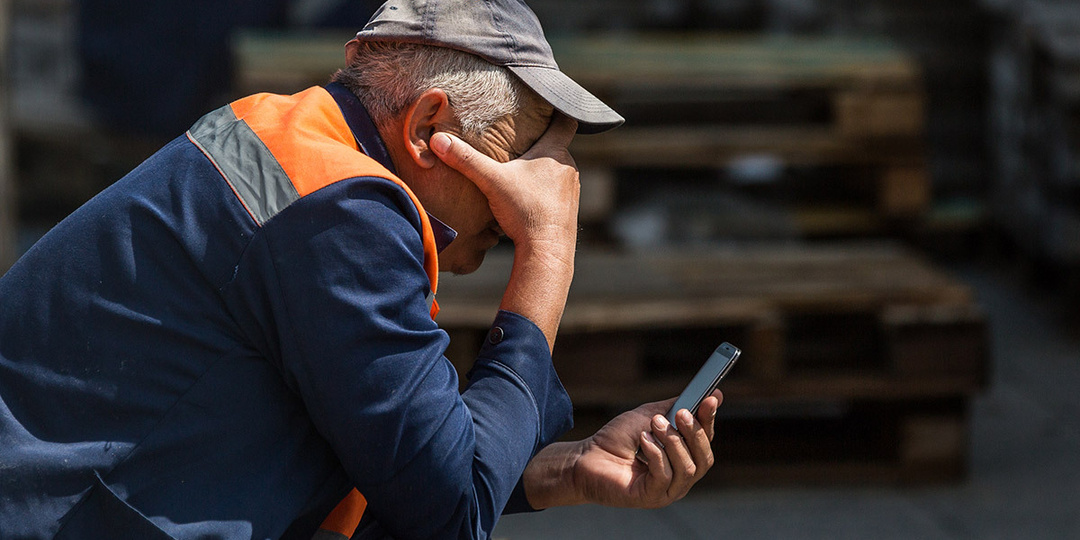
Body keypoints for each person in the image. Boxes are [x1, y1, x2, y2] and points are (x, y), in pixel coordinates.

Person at [0, 0, 723, 538]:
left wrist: (568, 468)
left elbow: (403, 461)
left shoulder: (291, 140)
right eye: (521, 161)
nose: (523, 205)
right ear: (428, 128)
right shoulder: (342, 211)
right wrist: (550, 249)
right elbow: (447, 515)